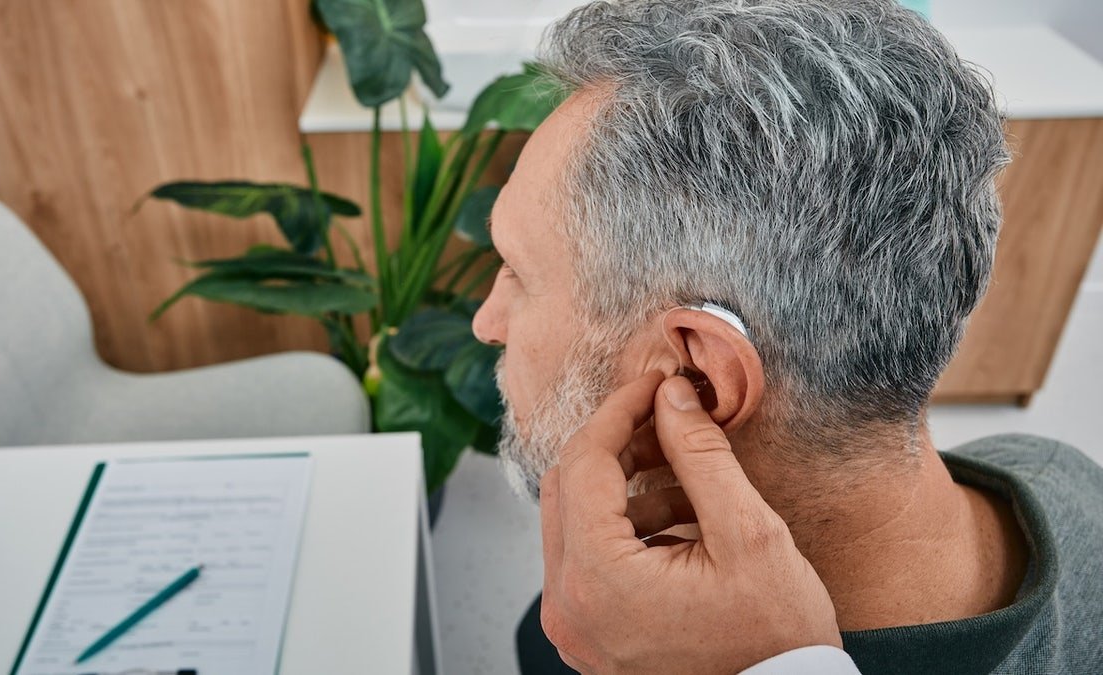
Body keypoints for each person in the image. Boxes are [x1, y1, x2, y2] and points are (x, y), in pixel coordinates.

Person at [468, 0, 1103, 673]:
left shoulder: (606, 653)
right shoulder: (1061, 475)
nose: (487, 320)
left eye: (518, 273)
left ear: (699, 379)